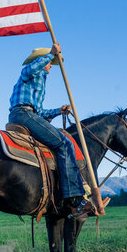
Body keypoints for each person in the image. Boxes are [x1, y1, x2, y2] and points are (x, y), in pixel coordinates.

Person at [8, 43, 100, 219]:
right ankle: (74, 200)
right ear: (41, 60)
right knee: (64, 144)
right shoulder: (32, 71)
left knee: (58, 142)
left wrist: (58, 111)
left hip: (27, 113)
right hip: (22, 113)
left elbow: (40, 112)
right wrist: (50, 54)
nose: (51, 65)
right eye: (50, 62)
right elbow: (29, 70)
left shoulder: (40, 80)